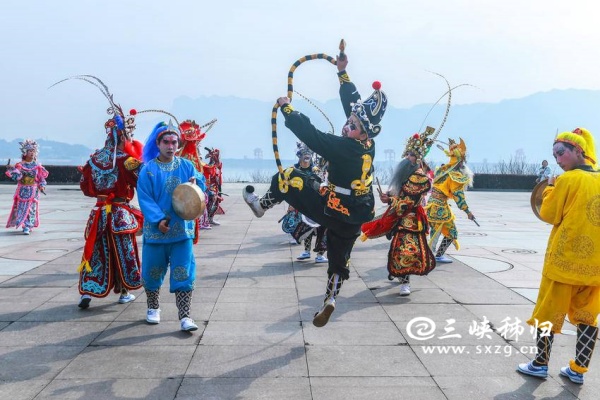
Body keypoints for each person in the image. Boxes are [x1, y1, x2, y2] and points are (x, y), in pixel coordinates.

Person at [242, 51, 387, 327]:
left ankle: (261, 205)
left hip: (334, 207)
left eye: (352, 126)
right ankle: (330, 299)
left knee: (290, 176)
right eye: (349, 122)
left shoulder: (344, 147)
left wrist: (287, 109)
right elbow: (353, 105)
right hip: (358, 212)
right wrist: (342, 72)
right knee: (339, 256)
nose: (346, 126)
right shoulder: (368, 143)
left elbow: (312, 136)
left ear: (363, 133)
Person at [517, 127, 600, 385]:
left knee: (548, 313)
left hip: (563, 261)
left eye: (561, 153)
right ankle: (578, 370)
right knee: (588, 317)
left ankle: (540, 364)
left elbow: (548, 214)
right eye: (555, 155)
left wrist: (550, 188)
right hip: (594, 265)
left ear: (578, 151)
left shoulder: (566, 180)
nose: (558, 159)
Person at [138, 121, 207, 332]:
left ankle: (185, 316)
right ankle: (153, 307)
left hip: (181, 231)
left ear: (178, 144)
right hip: (156, 232)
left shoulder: (186, 166)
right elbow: (145, 199)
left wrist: (196, 184)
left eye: (174, 142)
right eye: (166, 142)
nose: (170, 146)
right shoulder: (148, 170)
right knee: (152, 271)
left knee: (183, 272)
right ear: (158, 144)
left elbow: (201, 186)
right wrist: (158, 220)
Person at [77, 108, 144, 309]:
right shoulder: (126, 161)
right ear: (123, 136)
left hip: (98, 212)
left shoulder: (94, 159)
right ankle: (124, 292)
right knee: (123, 252)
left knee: (96, 251)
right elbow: (143, 181)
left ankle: (87, 291)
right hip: (119, 213)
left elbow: (85, 187)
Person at [361, 129, 436, 296]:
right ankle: (400, 275)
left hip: (411, 220)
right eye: (407, 154)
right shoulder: (406, 174)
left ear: (418, 159)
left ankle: (405, 282)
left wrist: (391, 200)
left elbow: (408, 202)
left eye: (411, 155)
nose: (407, 157)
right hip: (400, 218)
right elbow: (399, 194)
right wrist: (388, 196)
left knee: (406, 250)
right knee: (397, 248)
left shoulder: (419, 178)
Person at [425, 138, 476, 263]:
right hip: (440, 208)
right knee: (450, 233)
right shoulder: (454, 175)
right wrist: (468, 212)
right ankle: (433, 256)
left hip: (432, 205)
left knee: (436, 232)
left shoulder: (442, 170)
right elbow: (459, 197)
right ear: (460, 160)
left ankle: (434, 255)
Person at [291, 142, 327, 263]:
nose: (307, 157)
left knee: (324, 229)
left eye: (309, 154)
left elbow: (322, 185)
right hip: (304, 204)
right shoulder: (294, 170)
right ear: (299, 156)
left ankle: (320, 254)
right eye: (304, 154)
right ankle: (306, 251)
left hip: (319, 203)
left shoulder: (316, 170)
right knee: (307, 228)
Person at [5, 139, 49, 235]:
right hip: (22, 190)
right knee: (21, 208)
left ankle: (28, 226)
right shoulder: (20, 165)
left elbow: (41, 178)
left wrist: (42, 186)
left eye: (33, 151)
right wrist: (13, 170)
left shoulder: (37, 166)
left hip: (33, 191)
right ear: (25, 152)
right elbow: (17, 177)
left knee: (31, 209)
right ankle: (25, 225)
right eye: (30, 151)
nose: (32, 153)